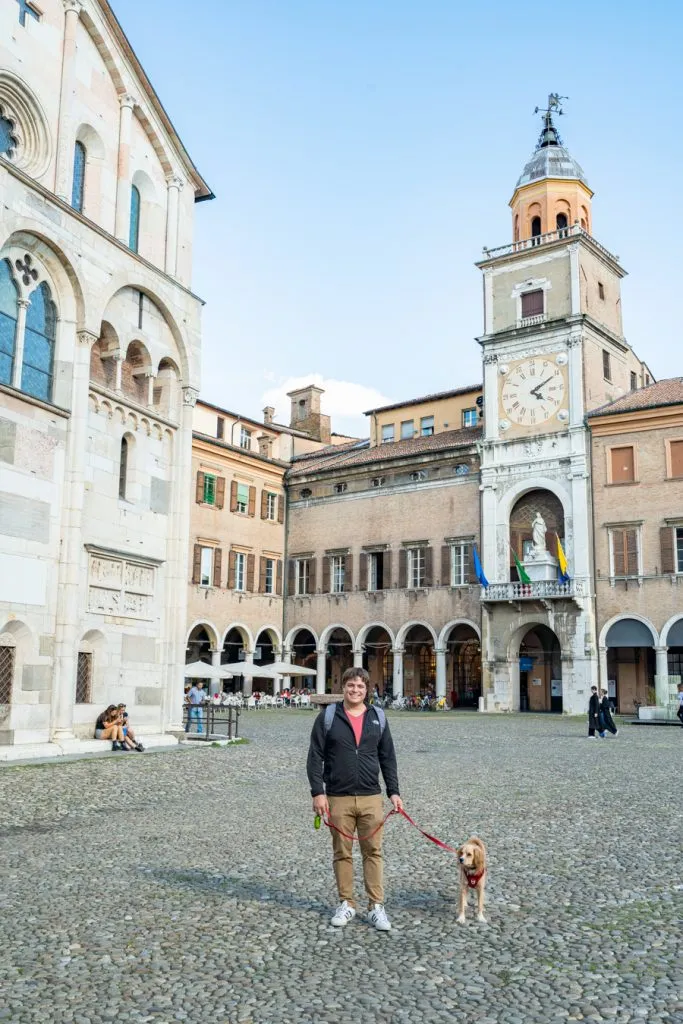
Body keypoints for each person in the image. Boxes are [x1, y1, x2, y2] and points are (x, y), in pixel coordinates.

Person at [306, 666, 403, 931]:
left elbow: (388, 757)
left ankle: (376, 906)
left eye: (360, 686)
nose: (355, 690)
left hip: (371, 796)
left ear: (367, 690)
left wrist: (393, 791)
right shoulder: (328, 717)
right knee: (342, 852)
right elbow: (315, 757)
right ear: (343, 687)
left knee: (373, 851)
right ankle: (347, 903)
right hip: (338, 796)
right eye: (351, 685)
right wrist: (318, 792)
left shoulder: (378, 717)